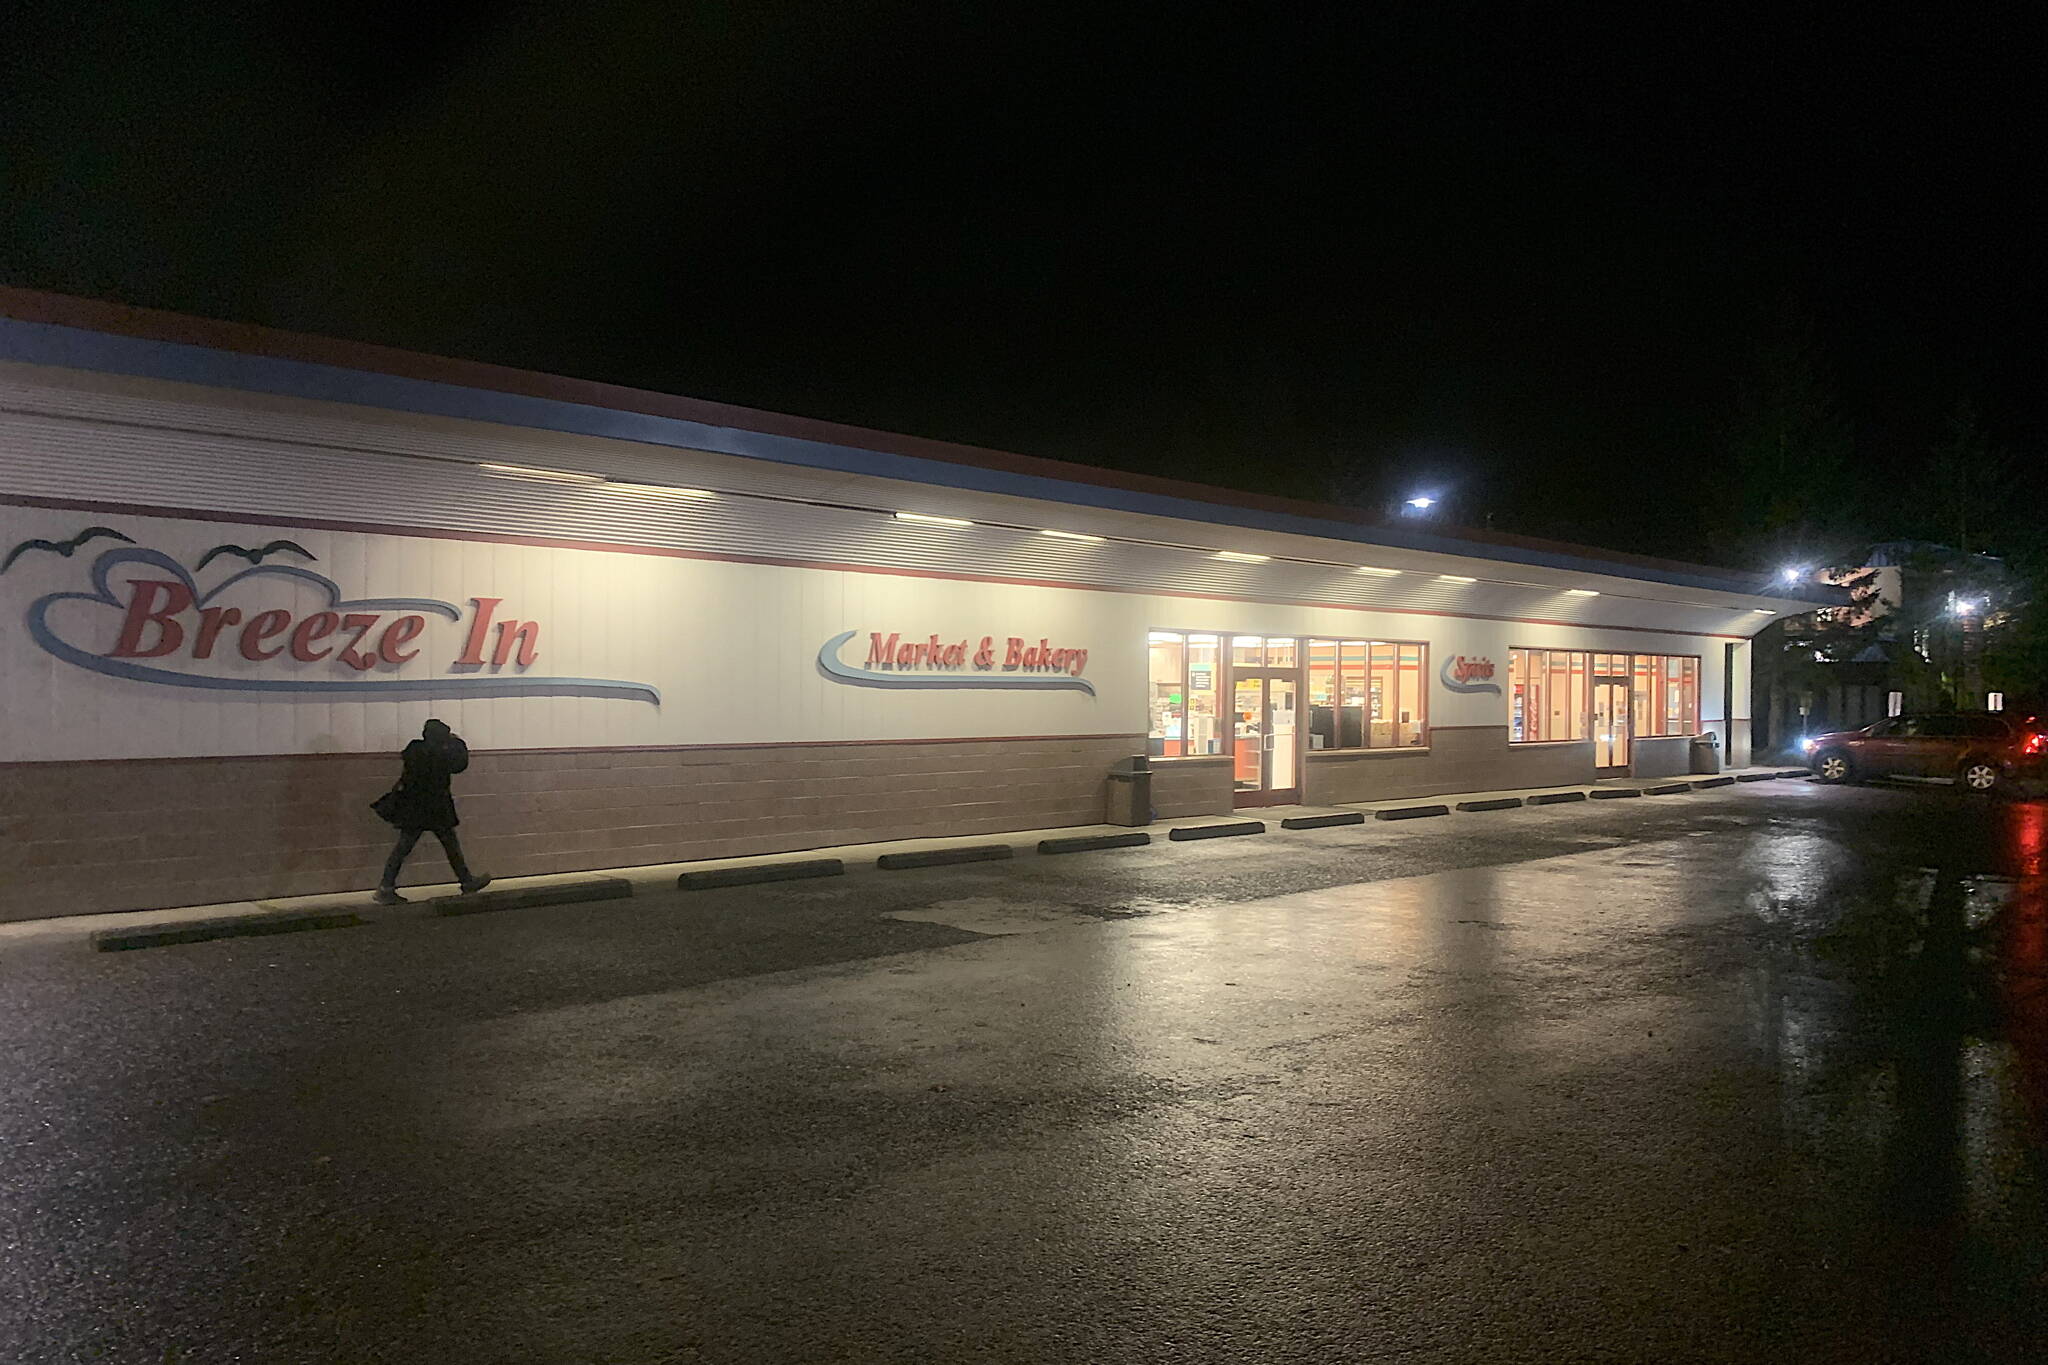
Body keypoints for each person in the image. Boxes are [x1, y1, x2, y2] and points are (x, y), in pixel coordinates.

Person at [373, 719, 490, 903]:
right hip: (436, 807)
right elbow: (460, 765)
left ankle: (386, 887)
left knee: (404, 847)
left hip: (415, 807)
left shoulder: (415, 750)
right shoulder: (442, 753)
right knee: (450, 846)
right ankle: (466, 881)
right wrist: (457, 742)